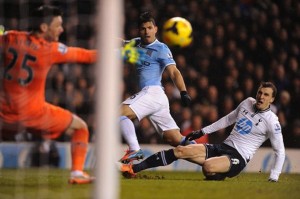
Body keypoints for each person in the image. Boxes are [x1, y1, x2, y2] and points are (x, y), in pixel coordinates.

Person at [0, 5, 141, 184]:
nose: (62, 29)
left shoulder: (10, 38)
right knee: (80, 127)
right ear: (44, 28)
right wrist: (121, 53)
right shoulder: (50, 49)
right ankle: (76, 173)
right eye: (58, 25)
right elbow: (87, 55)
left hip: (3, 114)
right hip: (33, 113)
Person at [119, 82, 286, 182]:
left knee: (208, 166)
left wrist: (274, 175)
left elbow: (280, 150)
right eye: (260, 92)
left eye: (266, 95)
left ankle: (218, 172)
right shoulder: (248, 102)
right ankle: (134, 169)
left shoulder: (272, 121)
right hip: (222, 147)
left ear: (272, 99)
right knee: (180, 150)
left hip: (238, 158)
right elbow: (228, 119)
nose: (261, 97)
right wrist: (202, 131)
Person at [119, 12, 193, 163]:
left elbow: (174, 72)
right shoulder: (136, 42)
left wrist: (183, 92)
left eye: (149, 27)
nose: (146, 31)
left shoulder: (161, 48)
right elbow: (122, 42)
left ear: (156, 29)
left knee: (119, 113)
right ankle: (207, 154)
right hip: (156, 99)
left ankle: (134, 150)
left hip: (153, 92)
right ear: (139, 31)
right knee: (175, 139)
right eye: (143, 28)